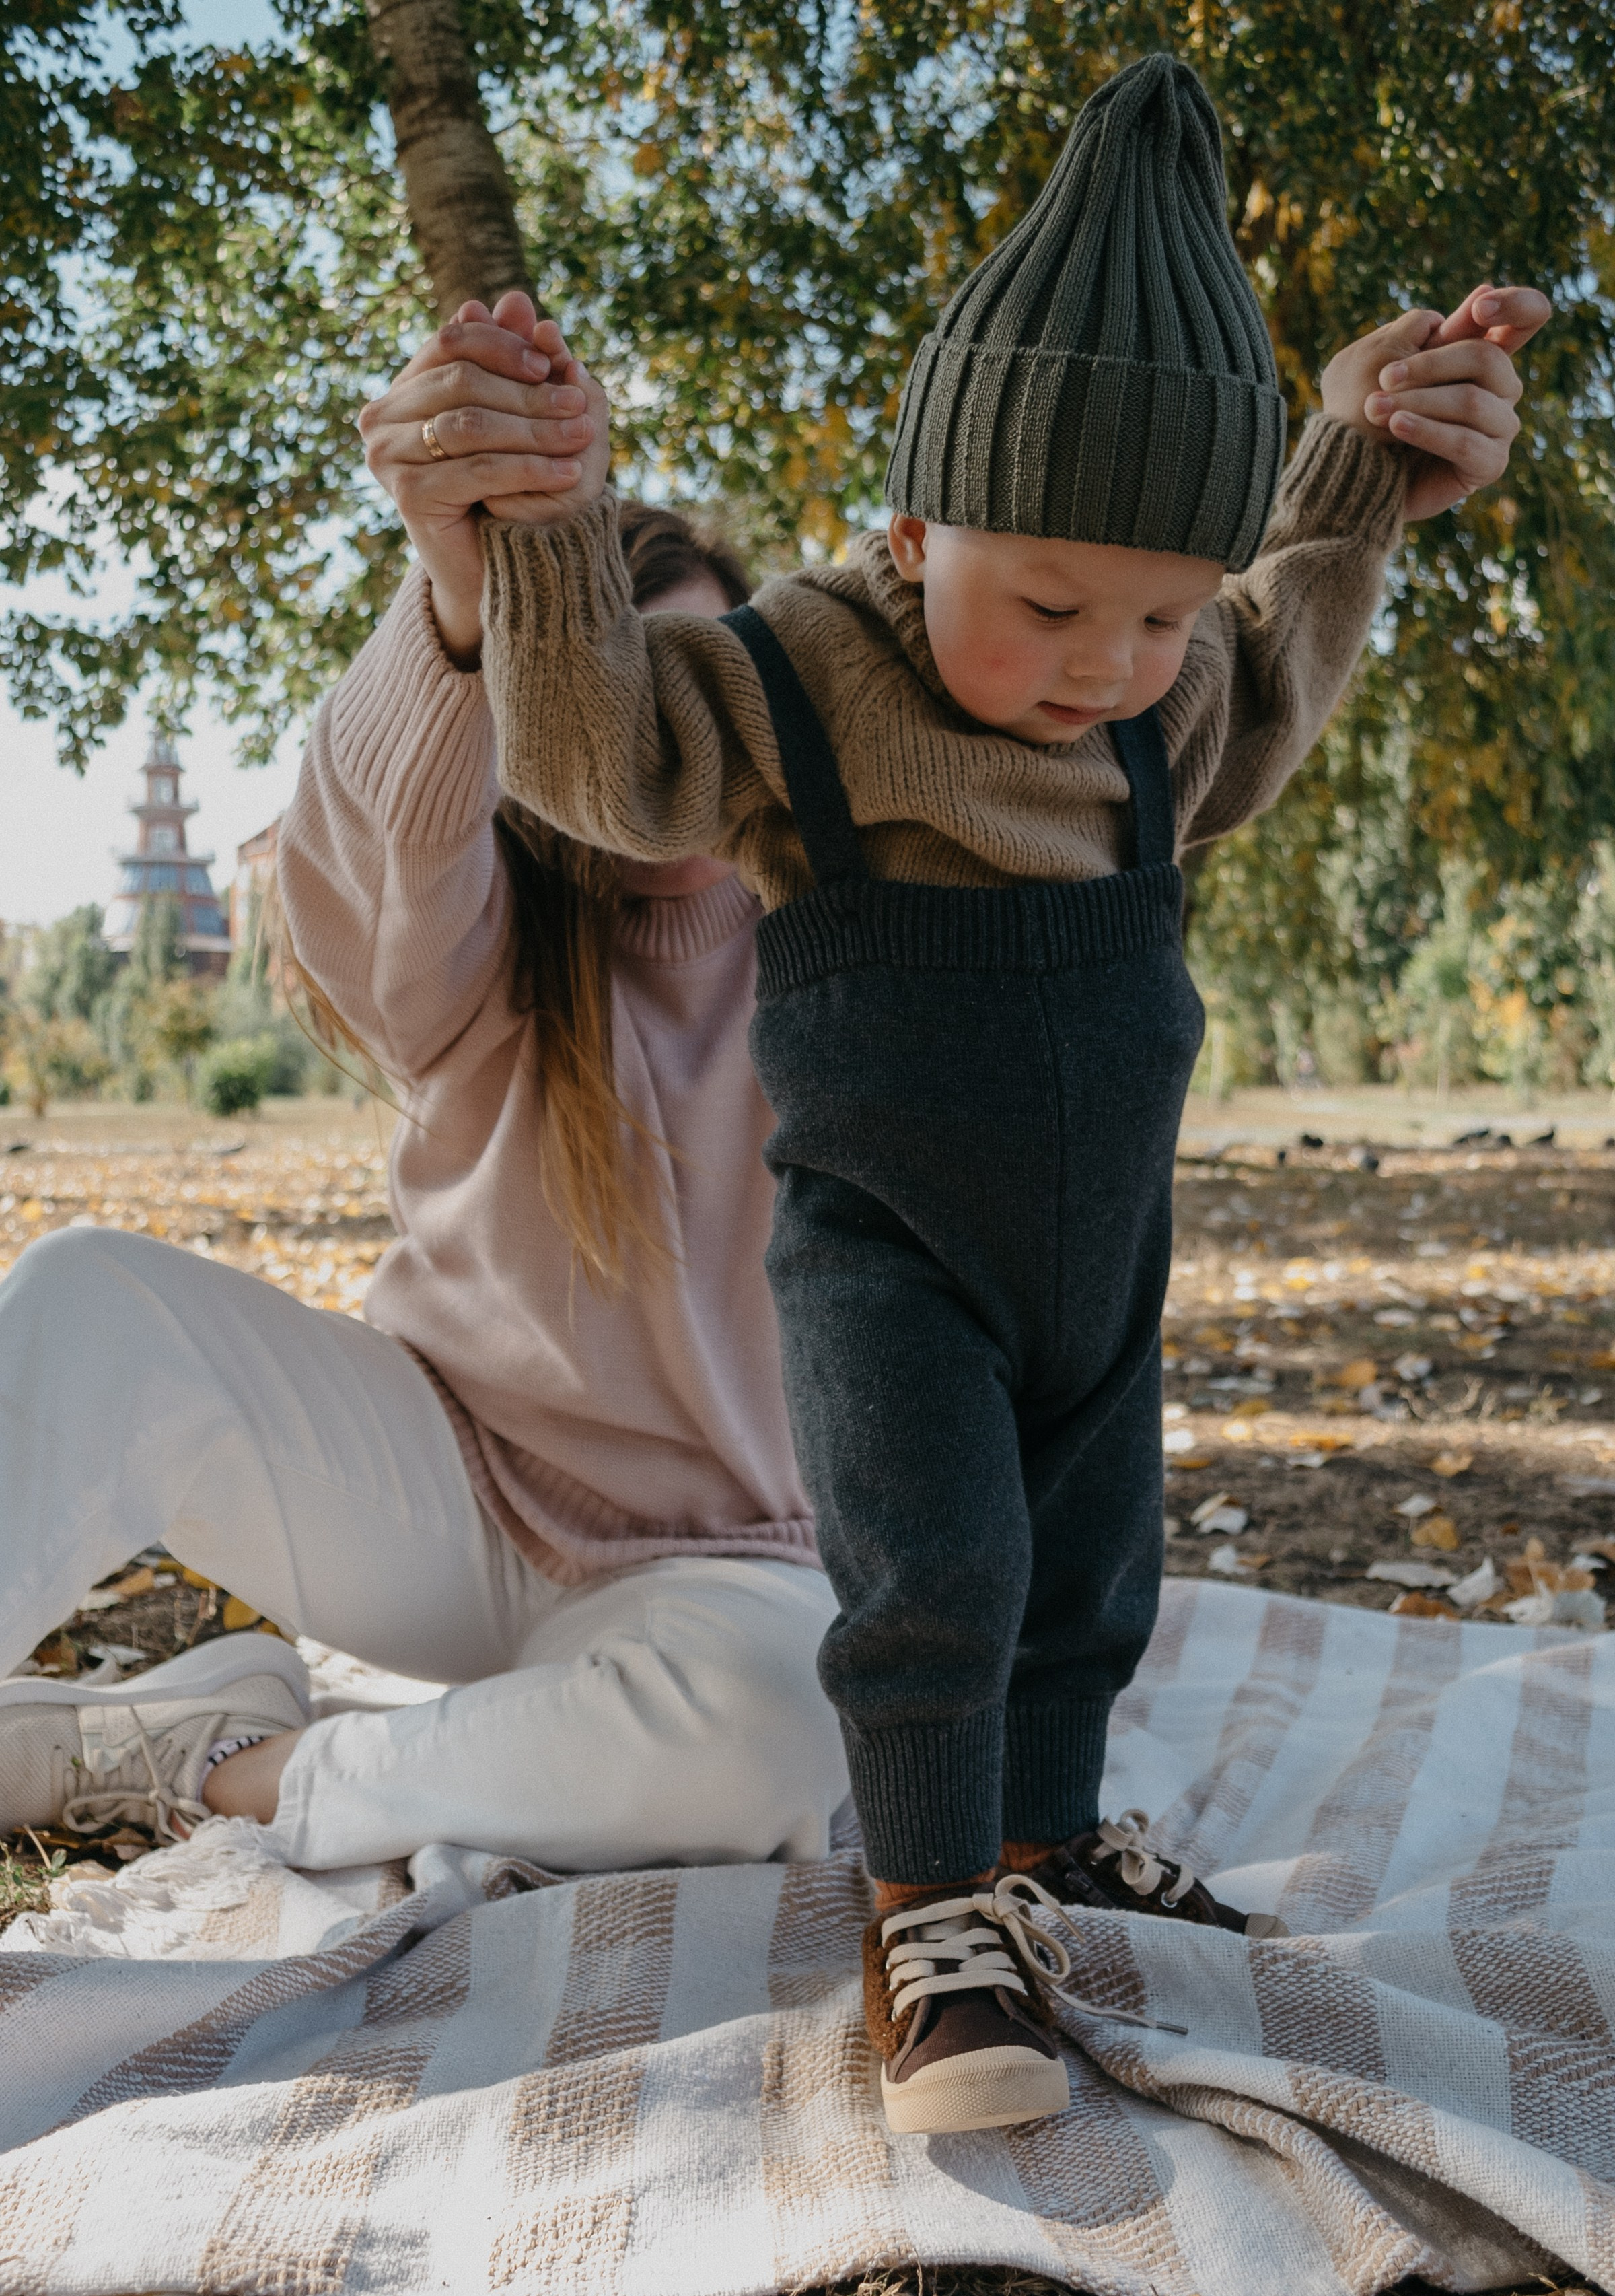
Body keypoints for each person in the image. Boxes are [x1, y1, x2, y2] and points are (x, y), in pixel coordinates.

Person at [443, 56, 1548, 2132]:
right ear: (914, 522)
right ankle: (935, 1912)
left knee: (1090, 1564)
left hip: (1101, 1250)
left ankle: (1046, 1842)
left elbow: (1285, 640)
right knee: (935, 1568)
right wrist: (550, 528)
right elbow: (592, 763)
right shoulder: (793, 682)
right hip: (895, 1250)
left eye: (1150, 608)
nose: (1101, 661)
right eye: (1045, 600)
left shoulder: (1168, 702)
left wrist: (1357, 468)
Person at [0, 502, 853, 1878]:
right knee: (88, 1297)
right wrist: (458, 604)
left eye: (706, 683)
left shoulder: (860, 946)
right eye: (617, 691)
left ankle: (215, 1760)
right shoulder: (472, 944)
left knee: (778, 1734)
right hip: (442, 1494)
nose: (670, 741)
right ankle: (476, 1746)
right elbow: (361, 863)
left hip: (734, 1564)